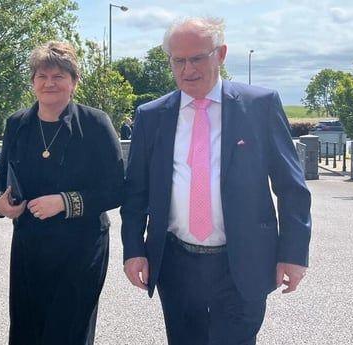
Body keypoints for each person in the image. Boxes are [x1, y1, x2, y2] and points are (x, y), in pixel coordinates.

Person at [121, 17, 311, 345]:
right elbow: (136, 190)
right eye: (178, 60)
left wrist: (293, 253)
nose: (187, 69)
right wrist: (134, 249)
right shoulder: (152, 116)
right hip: (176, 263)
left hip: (242, 261)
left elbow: (291, 187)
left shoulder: (259, 106)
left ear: (221, 54)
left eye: (197, 58)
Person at [0, 41, 124, 345]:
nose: (49, 83)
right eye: (42, 76)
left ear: (74, 82)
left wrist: (64, 202)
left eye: (59, 76)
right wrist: (0, 204)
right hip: (29, 247)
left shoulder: (95, 124)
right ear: (33, 83)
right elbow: (1, 183)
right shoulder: (17, 124)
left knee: (68, 333)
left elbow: (115, 189)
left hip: (81, 249)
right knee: (27, 332)